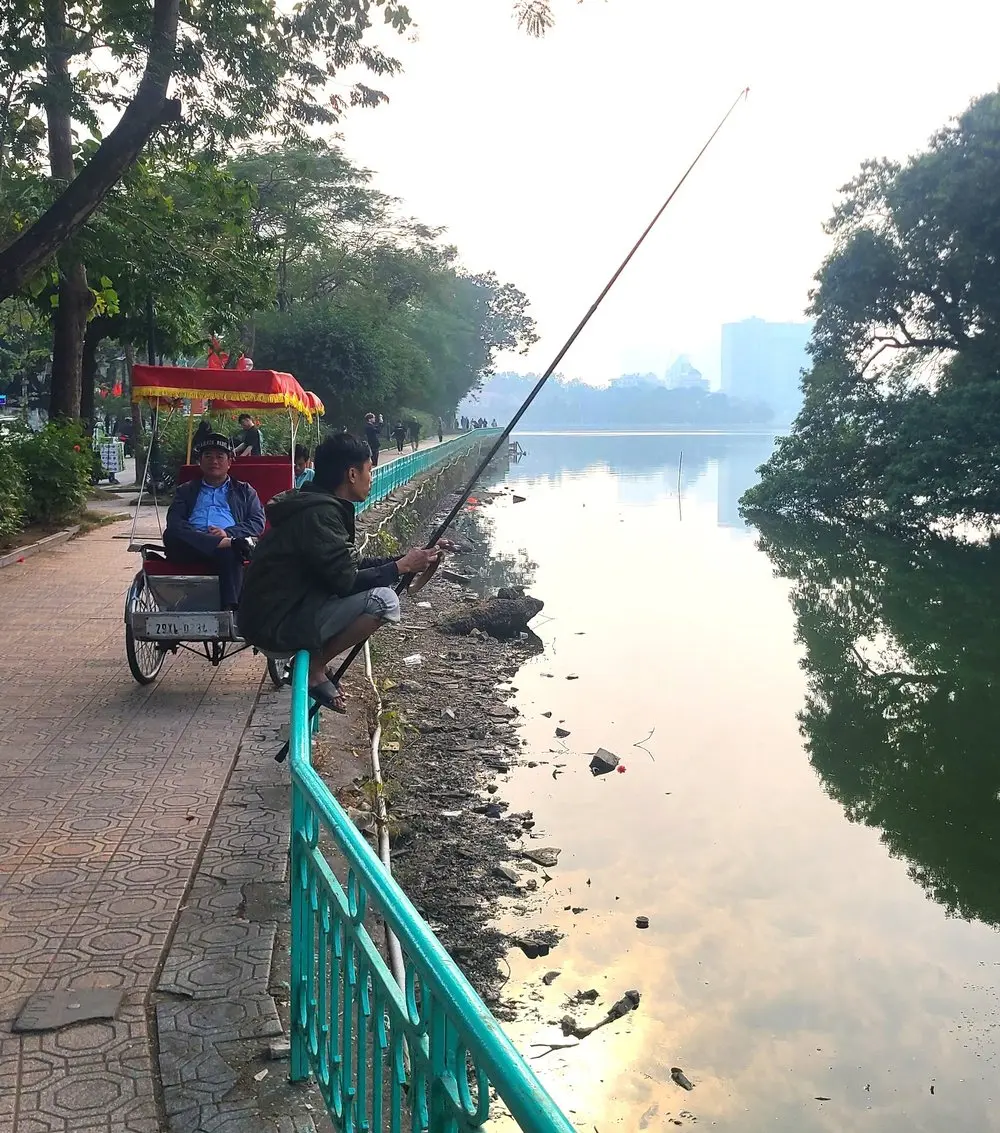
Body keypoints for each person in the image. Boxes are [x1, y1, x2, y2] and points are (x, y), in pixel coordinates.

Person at [238, 433, 441, 710]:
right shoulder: (320, 515)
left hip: (279, 613)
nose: (372, 478)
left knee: (380, 592)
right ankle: (313, 668)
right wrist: (401, 567)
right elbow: (346, 581)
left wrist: (408, 560)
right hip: (275, 625)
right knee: (384, 601)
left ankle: (315, 663)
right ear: (352, 474)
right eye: (370, 470)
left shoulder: (315, 505)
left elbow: (346, 565)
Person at [163, 434, 266, 609]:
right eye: (208, 456)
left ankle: (229, 609)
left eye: (220, 457)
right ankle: (222, 543)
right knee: (171, 533)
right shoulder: (186, 490)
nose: (214, 461)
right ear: (200, 462)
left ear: (229, 462)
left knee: (232, 552)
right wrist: (216, 540)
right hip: (189, 547)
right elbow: (175, 521)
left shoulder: (244, 491)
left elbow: (257, 522)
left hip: (227, 548)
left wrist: (228, 533)